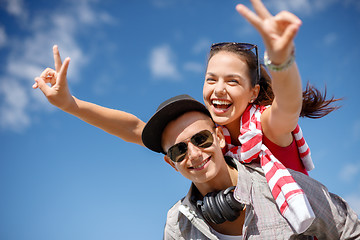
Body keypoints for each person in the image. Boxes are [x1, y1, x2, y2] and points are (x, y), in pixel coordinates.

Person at [33, 0, 340, 233]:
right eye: (211, 79)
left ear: (253, 92)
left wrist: (282, 60)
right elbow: (134, 127)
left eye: (233, 81)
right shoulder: (204, 131)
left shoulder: (265, 125)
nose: (219, 89)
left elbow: (288, 106)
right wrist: (71, 105)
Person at [141, 94, 359, 240]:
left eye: (201, 138)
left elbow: (349, 229)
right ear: (171, 163)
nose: (195, 154)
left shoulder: (279, 187)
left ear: (219, 137)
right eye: (179, 150)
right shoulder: (177, 224)